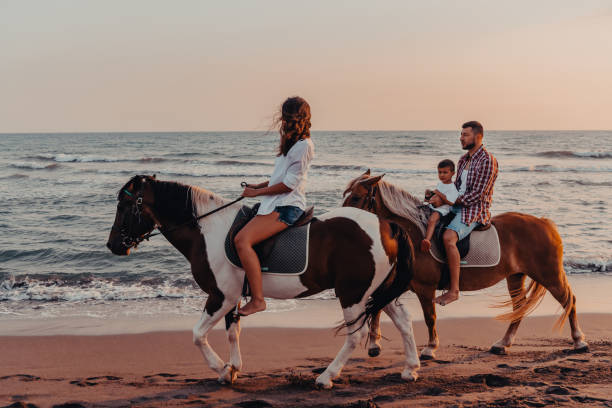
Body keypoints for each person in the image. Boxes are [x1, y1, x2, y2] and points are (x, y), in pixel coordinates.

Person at [234, 96, 315, 316]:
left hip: (287, 207)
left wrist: (256, 193)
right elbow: (279, 178)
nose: (283, 120)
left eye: (286, 115)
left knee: (242, 241)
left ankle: (258, 300)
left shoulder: (303, 146)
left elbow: (289, 185)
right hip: (274, 203)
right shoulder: (290, 145)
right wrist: (257, 186)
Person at [434, 121, 498, 306]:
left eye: (465, 135)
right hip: (456, 204)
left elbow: (477, 195)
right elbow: (457, 188)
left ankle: (454, 290)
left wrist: (447, 201)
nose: (461, 138)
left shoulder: (487, 160)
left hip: (475, 209)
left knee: (448, 237)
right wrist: (438, 195)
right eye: (461, 134)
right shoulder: (463, 160)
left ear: (478, 136)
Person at [420, 159, 459, 252]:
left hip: (444, 209)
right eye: (440, 172)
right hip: (435, 206)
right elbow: (436, 196)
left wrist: (439, 193)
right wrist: (429, 196)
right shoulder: (440, 184)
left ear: (453, 173)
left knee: (433, 219)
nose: (442, 175)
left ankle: (427, 240)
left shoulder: (452, 187)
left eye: (445, 172)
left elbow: (451, 202)